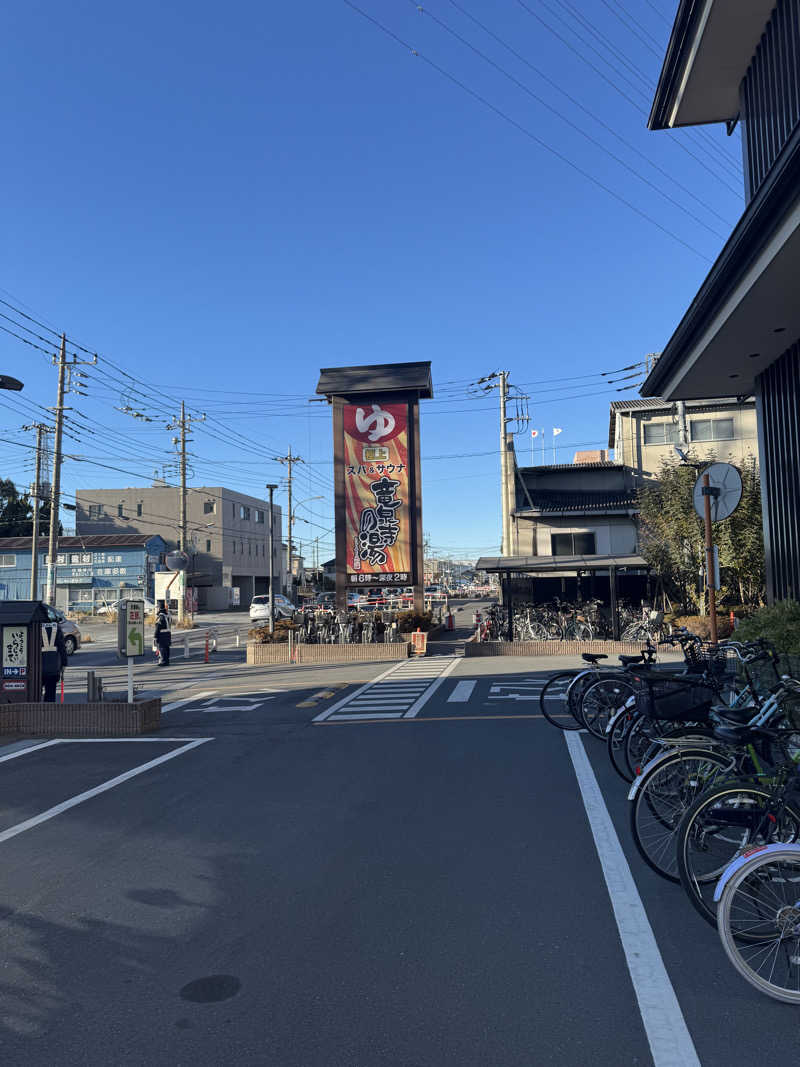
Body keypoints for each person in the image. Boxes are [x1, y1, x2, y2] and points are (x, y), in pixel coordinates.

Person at [42, 620, 68, 702]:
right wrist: (64, 663)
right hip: (53, 666)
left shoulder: (36, 626)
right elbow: (62, 648)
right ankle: (48, 712)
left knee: (35, 694)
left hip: (38, 667)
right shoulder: (56, 628)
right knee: (50, 693)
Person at [154, 600, 172, 666]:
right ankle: (167, 661)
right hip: (168, 633)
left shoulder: (160, 616)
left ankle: (163, 661)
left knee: (162, 648)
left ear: (159, 608)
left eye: (157, 607)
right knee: (167, 648)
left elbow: (157, 627)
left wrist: (155, 637)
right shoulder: (167, 615)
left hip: (162, 635)